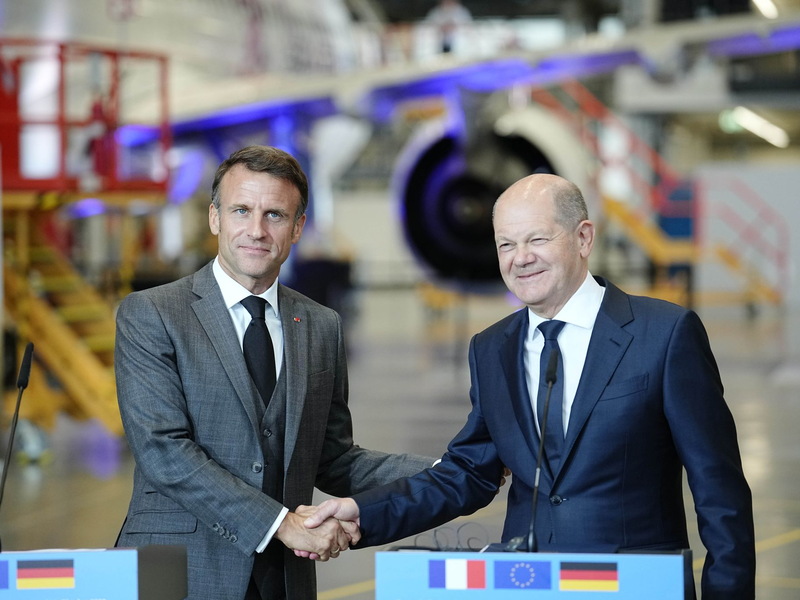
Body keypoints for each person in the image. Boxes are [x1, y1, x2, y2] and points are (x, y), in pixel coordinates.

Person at [304, 174, 756, 599]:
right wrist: (364, 513)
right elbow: (467, 472)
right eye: (507, 244)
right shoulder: (492, 348)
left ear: (583, 238)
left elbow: (719, 490)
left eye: (537, 239)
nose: (520, 258)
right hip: (527, 585)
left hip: (632, 586)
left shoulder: (665, 334)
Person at [114, 145, 434, 600]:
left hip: (283, 579)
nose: (256, 230)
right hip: (180, 570)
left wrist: (449, 471)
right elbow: (163, 451)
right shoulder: (152, 314)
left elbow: (333, 458)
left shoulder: (322, 326)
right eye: (241, 210)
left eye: (275, 215)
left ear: (298, 227)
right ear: (215, 218)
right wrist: (281, 524)